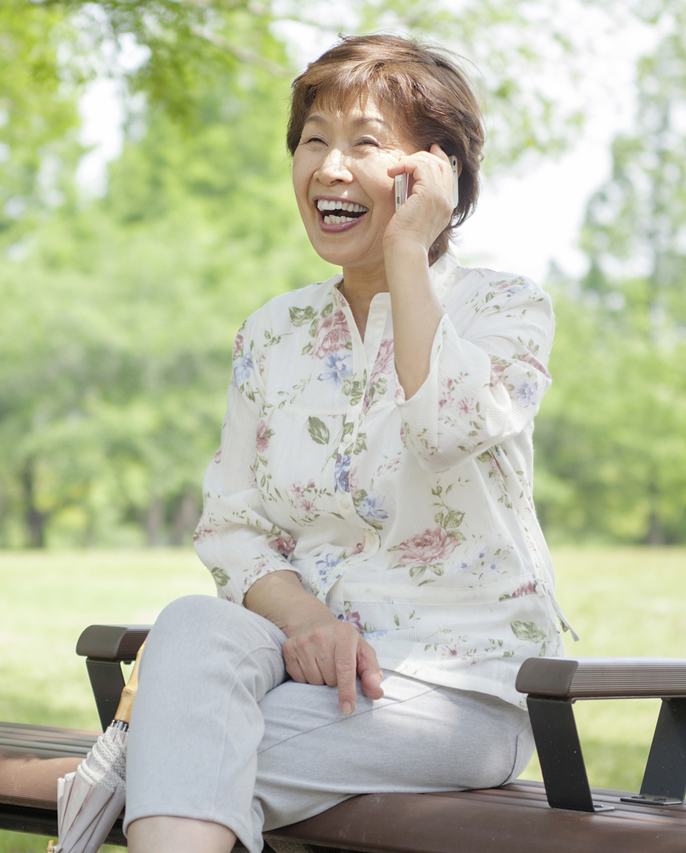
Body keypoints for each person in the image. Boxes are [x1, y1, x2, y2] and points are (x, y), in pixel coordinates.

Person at [123, 33, 574, 853]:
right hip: (297, 678)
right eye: (313, 140)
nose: (328, 167)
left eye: (364, 143)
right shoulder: (273, 332)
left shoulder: (506, 310)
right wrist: (304, 619)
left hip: (456, 689)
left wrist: (406, 250)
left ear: (435, 173)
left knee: (167, 755)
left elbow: (441, 428)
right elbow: (232, 521)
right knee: (192, 625)